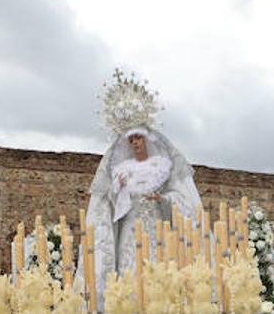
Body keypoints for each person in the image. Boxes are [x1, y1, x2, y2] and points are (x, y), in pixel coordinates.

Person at [85, 76, 202, 301]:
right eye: (131, 140)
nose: (136, 143)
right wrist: (117, 190)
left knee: (158, 270)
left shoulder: (163, 165)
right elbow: (108, 204)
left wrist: (164, 200)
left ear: (147, 139)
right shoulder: (122, 170)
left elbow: (181, 197)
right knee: (130, 269)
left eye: (139, 137)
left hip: (157, 228)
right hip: (130, 228)